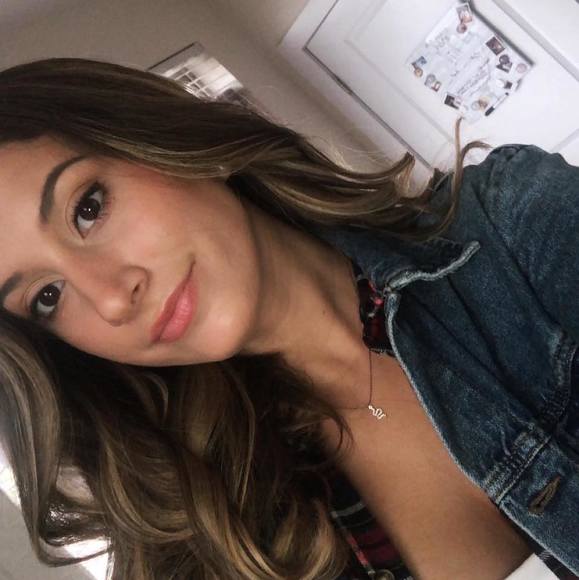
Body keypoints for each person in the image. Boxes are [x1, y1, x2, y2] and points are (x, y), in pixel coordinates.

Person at [0, 58, 577, 580]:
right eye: (47, 296)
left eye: (87, 208)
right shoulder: (201, 534)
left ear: (166, 140)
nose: (111, 299)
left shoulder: (511, 222)